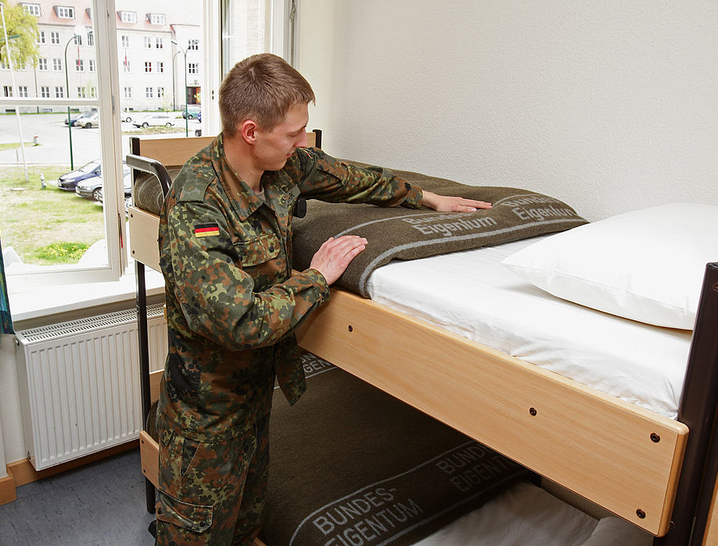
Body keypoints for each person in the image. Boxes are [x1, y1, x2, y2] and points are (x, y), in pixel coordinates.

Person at [154, 53, 492, 545]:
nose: (303, 143)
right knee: (196, 537)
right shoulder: (197, 208)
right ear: (251, 132)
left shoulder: (285, 168)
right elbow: (240, 321)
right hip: (206, 418)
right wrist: (316, 277)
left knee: (247, 527)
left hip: (253, 401)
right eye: (293, 134)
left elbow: (352, 178)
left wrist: (428, 199)